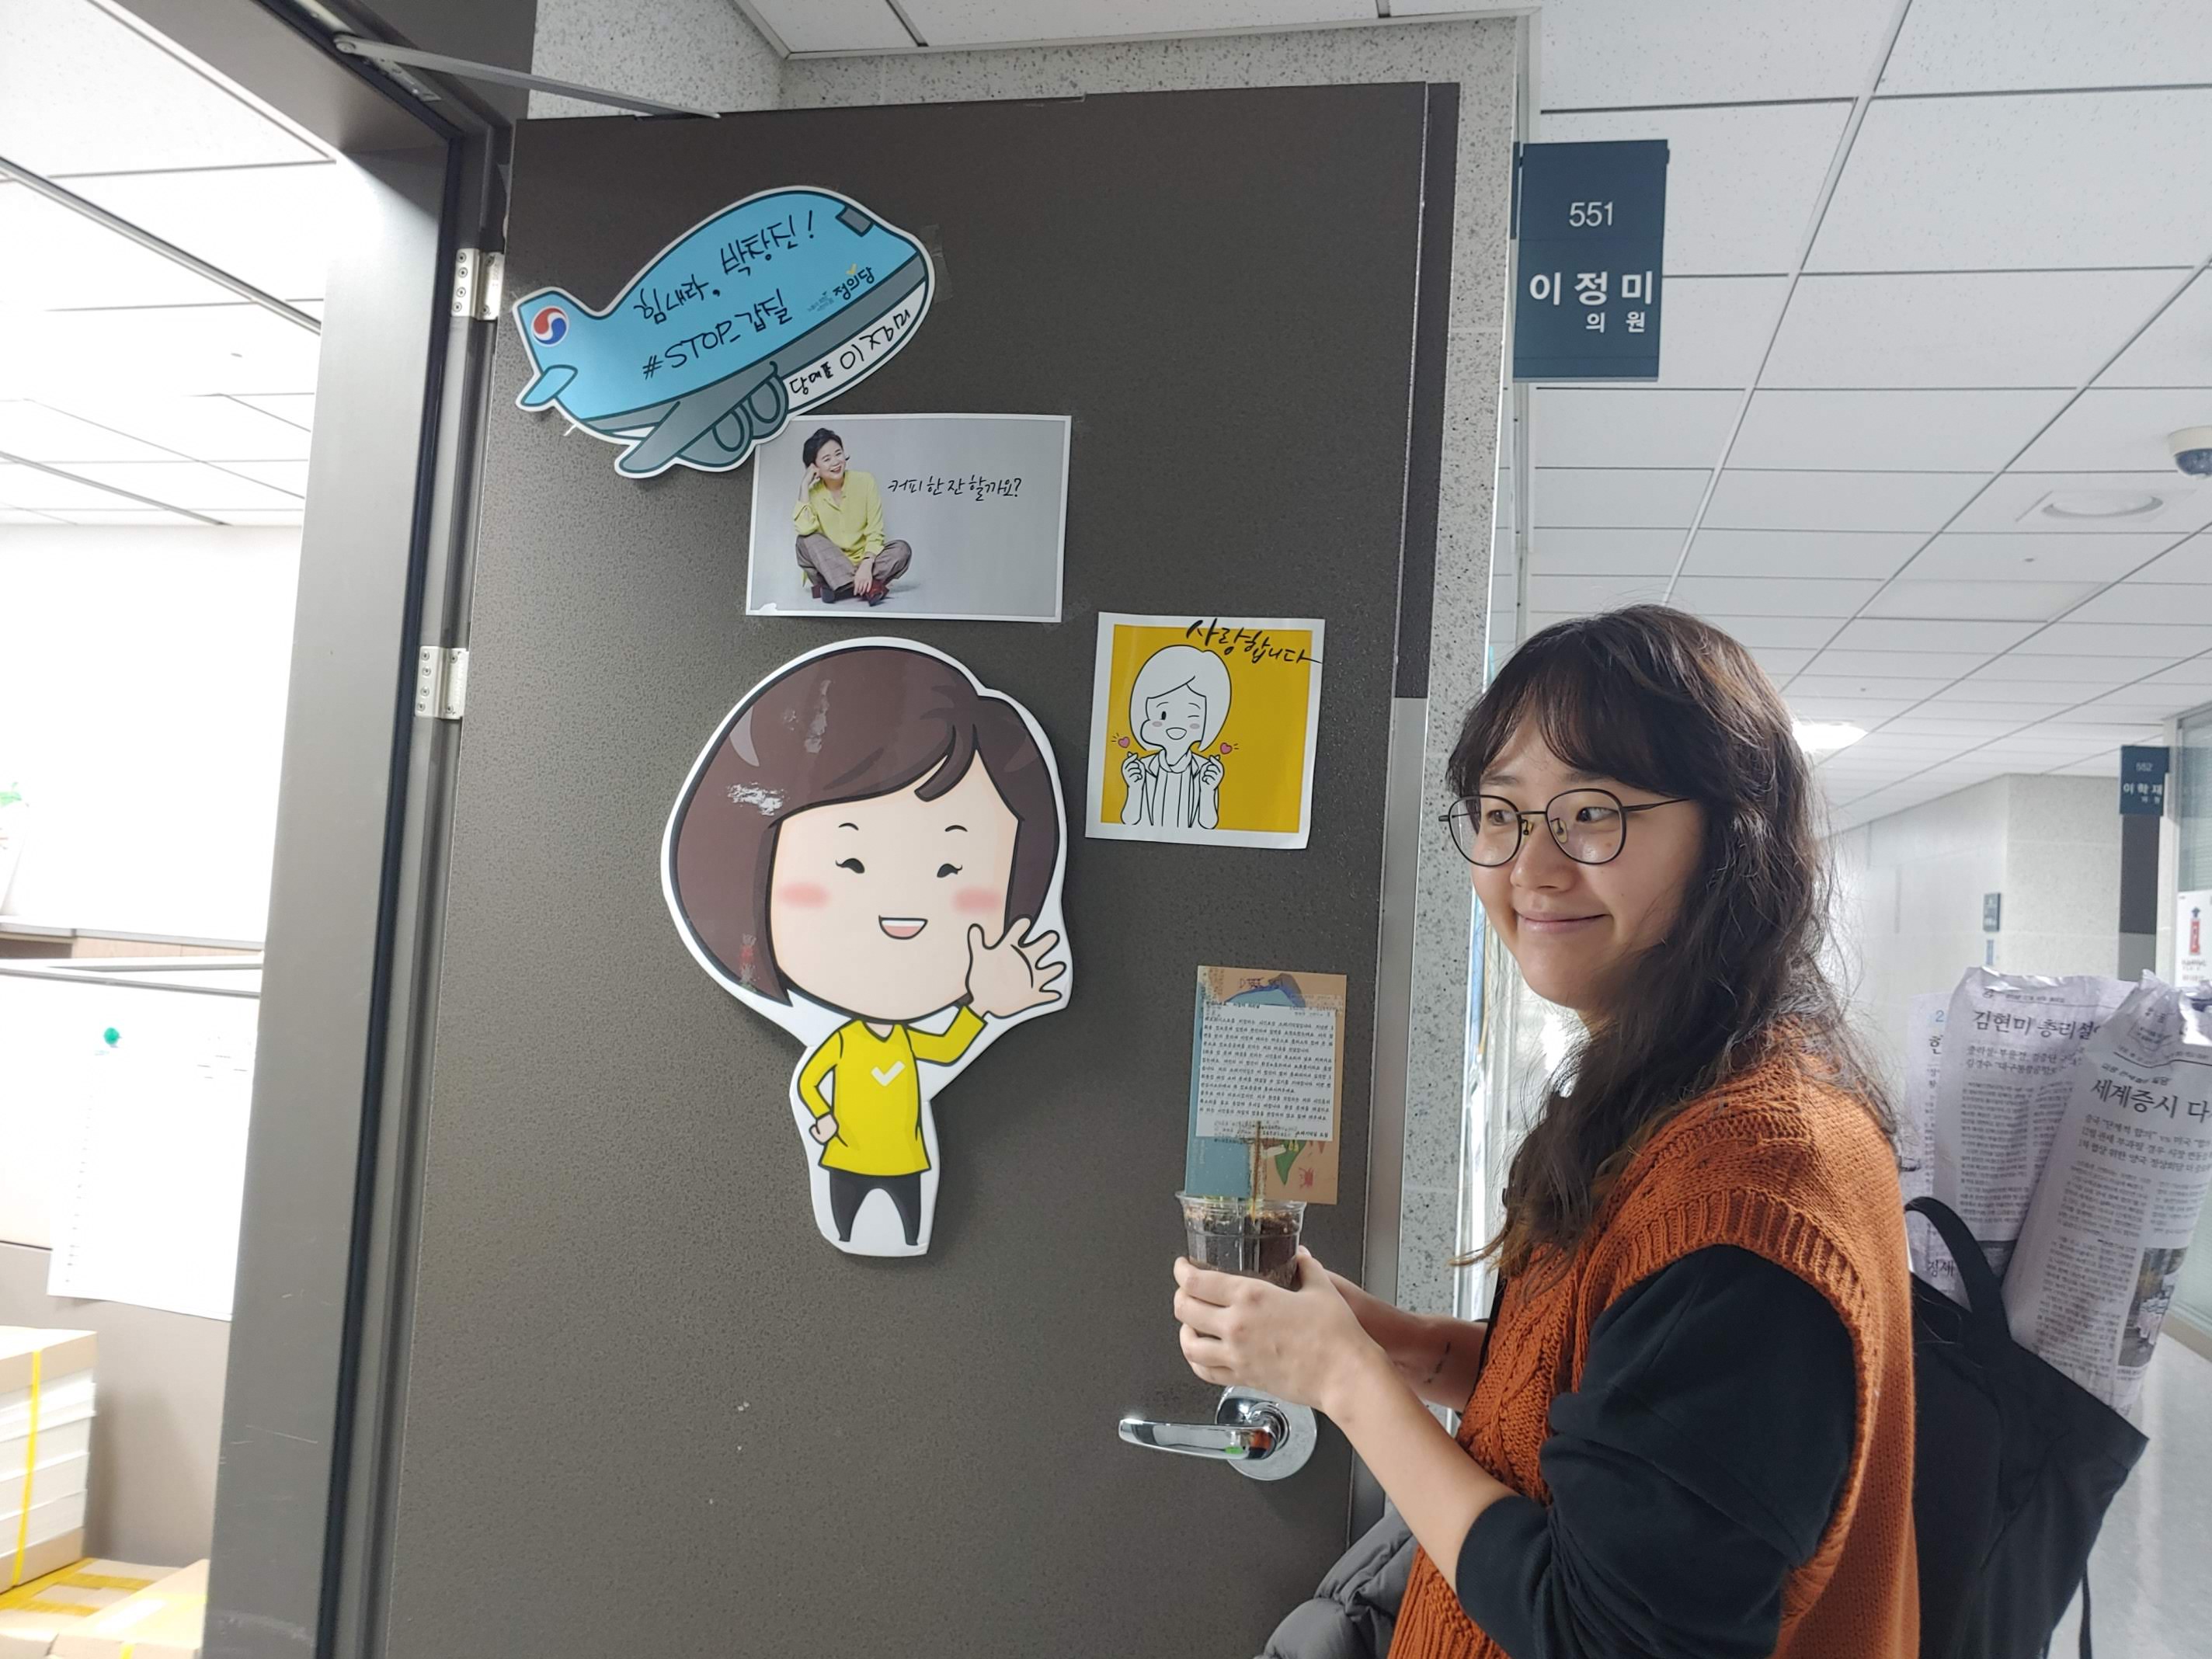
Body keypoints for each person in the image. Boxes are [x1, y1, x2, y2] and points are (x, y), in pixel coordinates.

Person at [1172, 605, 1917, 1658]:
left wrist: (1346, 1383)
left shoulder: (1751, 1187)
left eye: (1592, 813)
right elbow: (1611, 1415)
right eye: (1500, 813)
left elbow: (1602, 1633)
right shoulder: (1678, 1101)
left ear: (1731, 832)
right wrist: (1393, 1343)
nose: (1532, 867)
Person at [666, 644, 1066, 1252]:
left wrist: (987, 1006)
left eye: (952, 867)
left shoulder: (900, 1041)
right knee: (853, 1206)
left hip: (903, 1155)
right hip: (850, 1150)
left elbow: (946, 1045)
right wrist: (825, 1120)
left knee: (901, 1211)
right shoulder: (840, 1043)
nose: (900, 907)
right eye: (849, 862)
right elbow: (812, 1085)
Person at [792, 427, 913, 606]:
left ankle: (839, 587)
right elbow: (804, 529)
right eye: (827, 459)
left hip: (865, 561)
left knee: (902, 550)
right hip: (829, 564)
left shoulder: (865, 481)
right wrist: (804, 486)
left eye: (838, 454)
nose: (836, 462)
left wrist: (866, 564)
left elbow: (875, 531)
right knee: (805, 540)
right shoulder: (812, 494)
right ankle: (868, 587)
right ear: (814, 466)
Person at [1119, 643, 1232, 830]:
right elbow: (1129, 821)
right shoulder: (1142, 768)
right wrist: (1134, 788)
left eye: (1192, 716)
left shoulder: (1205, 771)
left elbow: (1208, 824)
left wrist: (1208, 791)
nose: (1176, 725)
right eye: (1163, 714)